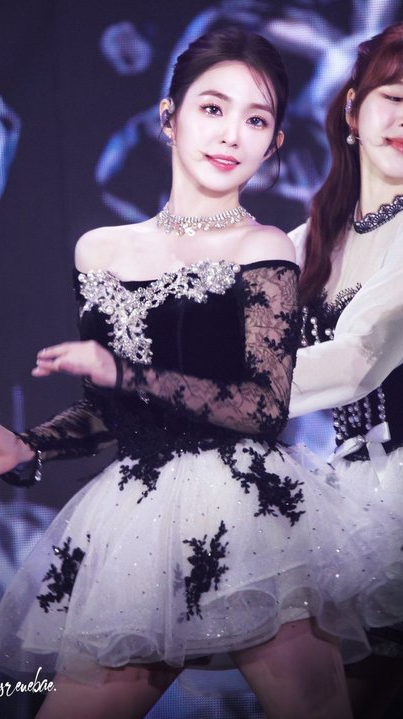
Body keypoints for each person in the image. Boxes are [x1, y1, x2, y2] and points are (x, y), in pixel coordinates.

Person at [0, 26, 401, 719]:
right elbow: (106, 412)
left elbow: (262, 406)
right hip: (141, 518)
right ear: (168, 116)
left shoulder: (267, 247)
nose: (231, 134)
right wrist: (27, 447)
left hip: (254, 514)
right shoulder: (101, 250)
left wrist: (125, 373)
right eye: (212, 108)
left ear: (274, 143)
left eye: (256, 120)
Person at [288, 22, 403, 719]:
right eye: (396, 97)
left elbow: (358, 362)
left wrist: (226, 392)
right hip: (350, 495)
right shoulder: (313, 236)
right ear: (353, 108)